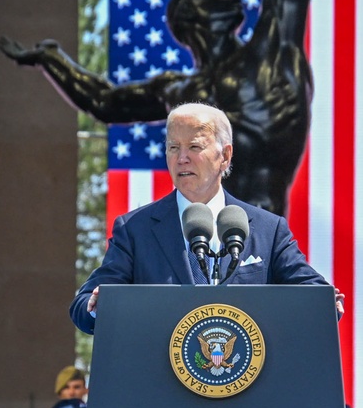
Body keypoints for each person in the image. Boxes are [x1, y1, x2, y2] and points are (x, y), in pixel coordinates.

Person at [0, 0, 318, 216]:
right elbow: (105, 102)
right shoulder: (185, 92)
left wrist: (51, 58)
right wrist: (51, 58)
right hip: (202, 250)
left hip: (259, 243)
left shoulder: (272, 54)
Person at [68, 102, 343, 334]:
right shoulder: (135, 230)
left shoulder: (268, 230)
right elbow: (84, 305)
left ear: (225, 156)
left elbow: (313, 294)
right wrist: (98, 307)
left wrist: (327, 304)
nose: (182, 158)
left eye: (194, 147)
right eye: (173, 148)